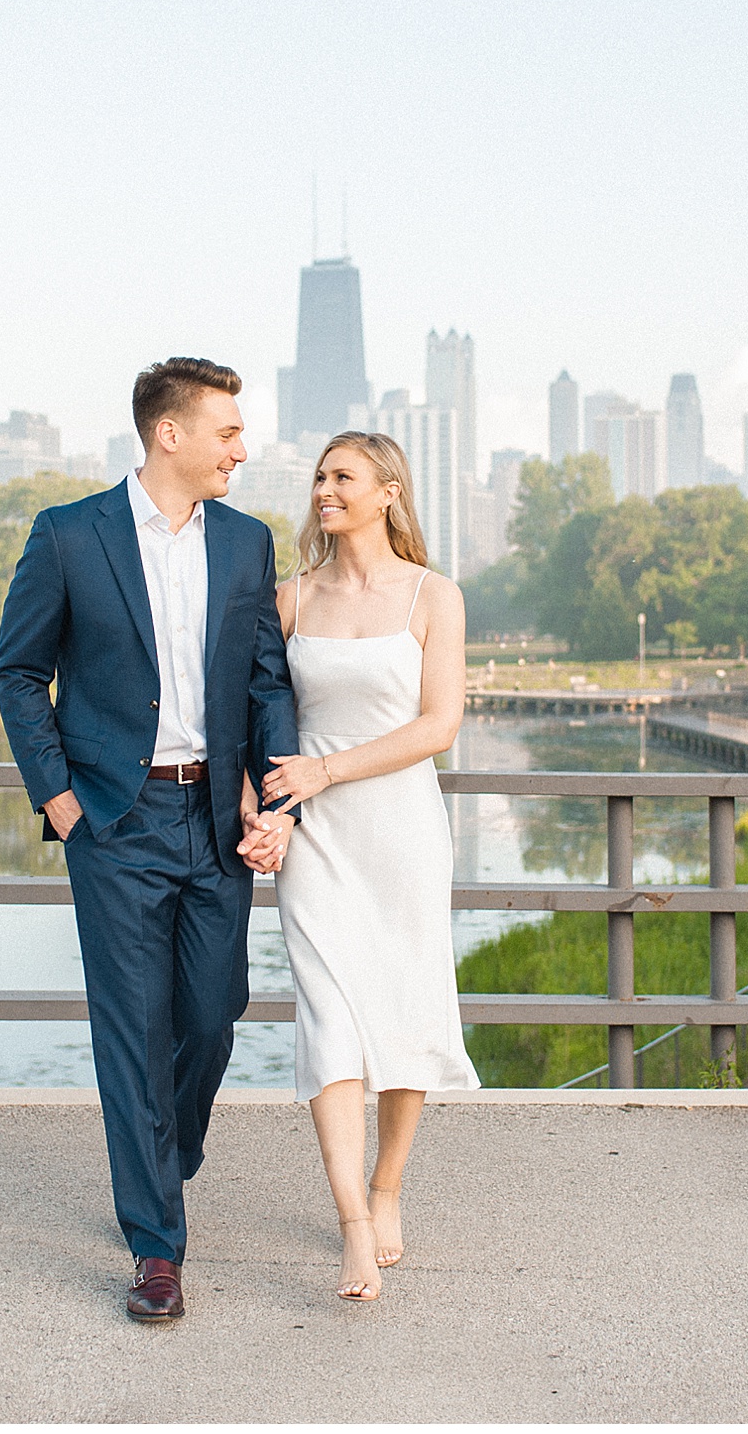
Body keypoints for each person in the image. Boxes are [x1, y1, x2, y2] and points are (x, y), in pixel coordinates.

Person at [0, 358, 300, 1324]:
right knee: (132, 1033)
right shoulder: (69, 535)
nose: (240, 449)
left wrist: (278, 798)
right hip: (113, 823)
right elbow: (18, 673)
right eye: (227, 431)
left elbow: (264, 681)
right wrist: (60, 799)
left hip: (213, 818)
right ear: (170, 433)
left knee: (212, 1013)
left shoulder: (248, 545)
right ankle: (156, 1248)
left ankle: (165, 1152)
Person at [251, 432, 479, 1304]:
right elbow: (255, 711)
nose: (322, 489)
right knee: (330, 1020)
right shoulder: (290, 599)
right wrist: (265, 802)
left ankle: (388, 1186)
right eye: (318, 476)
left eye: (341, 476)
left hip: (402, 832)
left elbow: (438, 727)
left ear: (388, 491)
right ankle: (351, 1221)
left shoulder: (435, 597)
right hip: (315, 840)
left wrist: (327, 768)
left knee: (407, 1008)